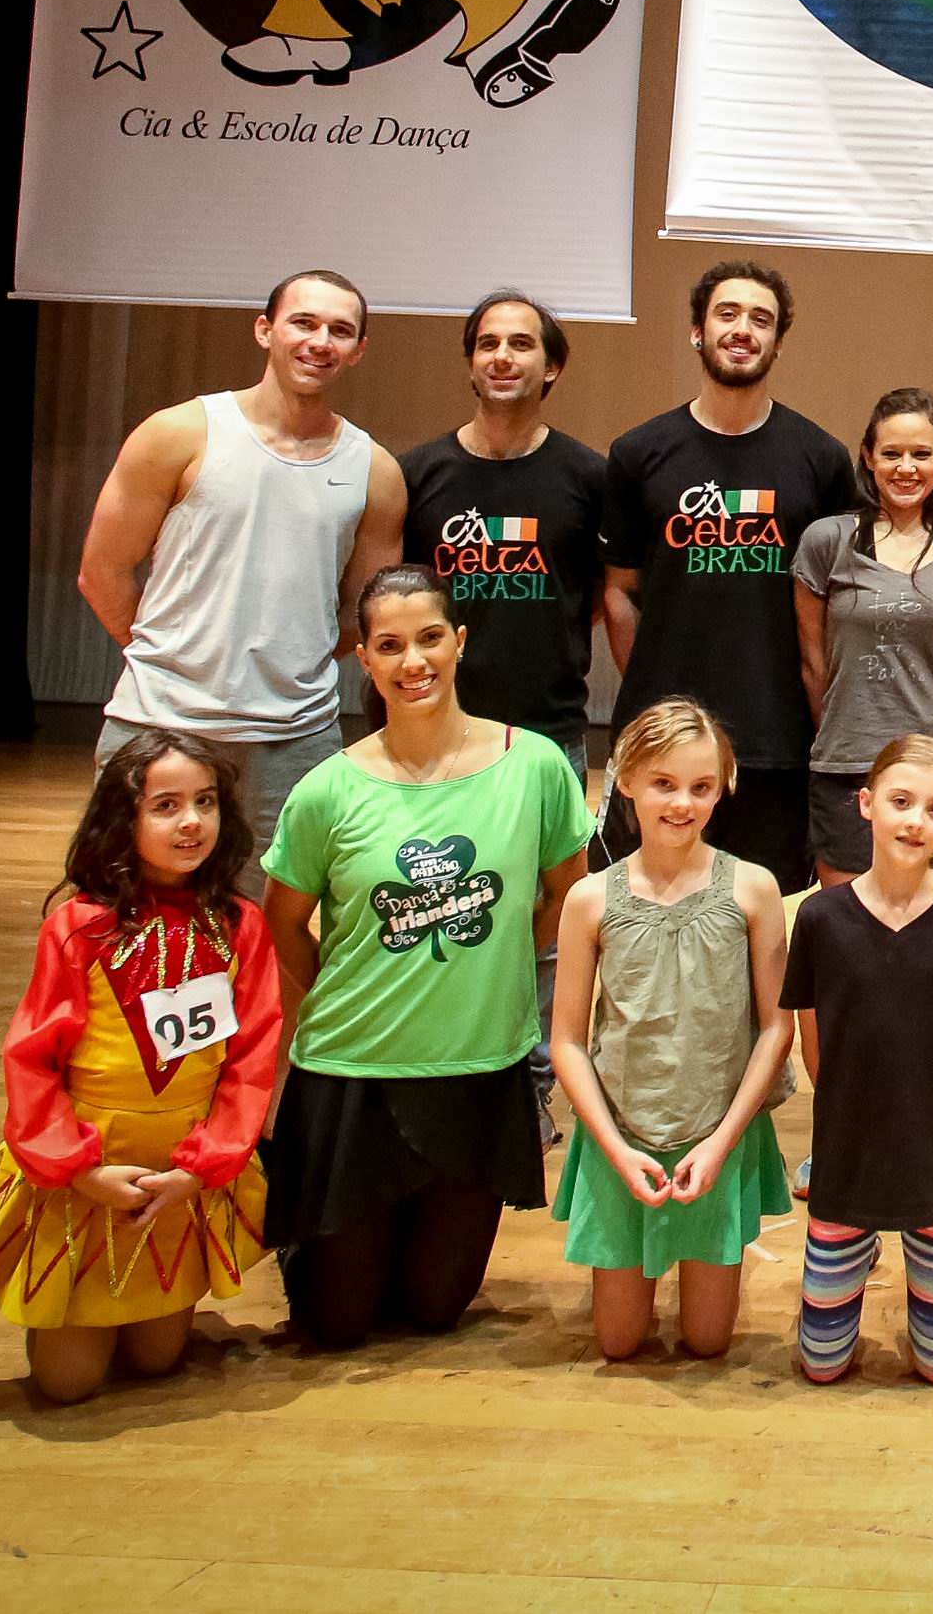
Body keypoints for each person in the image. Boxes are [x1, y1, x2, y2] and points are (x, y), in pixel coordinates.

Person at [259, 566, 594, 1351]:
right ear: (363, 660)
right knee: (335, 1322)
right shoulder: (327, 791)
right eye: (390, 645)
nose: (414, 661)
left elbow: (568, 899)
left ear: (460, 642)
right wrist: (336, 1002)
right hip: (352, 1073)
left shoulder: (535, 765)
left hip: (476, 1069)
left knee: (435, 1307)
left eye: (430, 638)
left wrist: (500, 969)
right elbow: (282, 927)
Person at [0, 732, 283, 1402]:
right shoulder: (77, 927)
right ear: (125, 819)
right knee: (68, 1382)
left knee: (156, 1361)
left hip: (178, 1172)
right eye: (166, 805)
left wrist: (200, 1166)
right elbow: (32, 1061)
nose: (192, 821)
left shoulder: (239, 925)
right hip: (90, 1169)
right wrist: (79, 1171)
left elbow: (250, 1060)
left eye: (205, 801)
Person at [81, 268, 406, 846]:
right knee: (130, 915)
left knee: (264, 924)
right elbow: (101, 572)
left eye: (339, 330)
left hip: (295, 739)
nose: (319, 341)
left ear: (358, 350)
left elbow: (363, 612)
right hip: (160, 724)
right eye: (302, 322)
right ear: (265, 330)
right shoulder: (179, 433)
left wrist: (289, 665)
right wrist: (173, 660)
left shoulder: (375, 470)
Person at [546, 700, 796, 1363]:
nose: (681, 802)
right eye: (664, 783)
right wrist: (614, 1147)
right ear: (624, 778)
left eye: (701, 786)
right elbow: (567, 1039)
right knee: (619, 1343)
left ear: (724, 786)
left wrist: (719, 1143)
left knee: (709, 1341)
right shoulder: (589, 898)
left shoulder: (753, 889)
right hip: (621, 1134)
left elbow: (776, 1030)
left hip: (716, 1134)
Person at [602, 260, 860, 889]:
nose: (743, 330)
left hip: (775, 742)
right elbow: (618, 593)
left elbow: (835, 609)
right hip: (661, 746)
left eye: (761, 319)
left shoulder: (821, 459)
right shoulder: (638, 454)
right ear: (698, 331)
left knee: (763, 931)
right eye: (728, 314)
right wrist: (652, 701)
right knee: (646, 922)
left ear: (777, 341)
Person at [780, 737, 933, 1386]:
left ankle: (922, 1259)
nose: (915, 820)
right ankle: (858, 1245)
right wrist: (842, 1123)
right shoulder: (821, 917)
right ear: (866, 803)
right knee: (820, 1366)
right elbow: (811, 1033)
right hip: (848, 1158)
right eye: (901, 801)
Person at [401, 289, 624, 780]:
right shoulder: (416, 474)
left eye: (521, 344)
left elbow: (591, 598)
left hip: (548, 735)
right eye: (488, 344)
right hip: (434, 731)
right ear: (471, 363)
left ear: (551, 367)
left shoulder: (590, 477)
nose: (502, 356)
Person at [794, 388, 933, 887]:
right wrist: (843, 731)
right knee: (852, 934)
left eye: (921, 454)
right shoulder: (827, 541)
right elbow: (814, 663)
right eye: (892, 453)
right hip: (848, 767)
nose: (907, 467)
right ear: (868, 456)